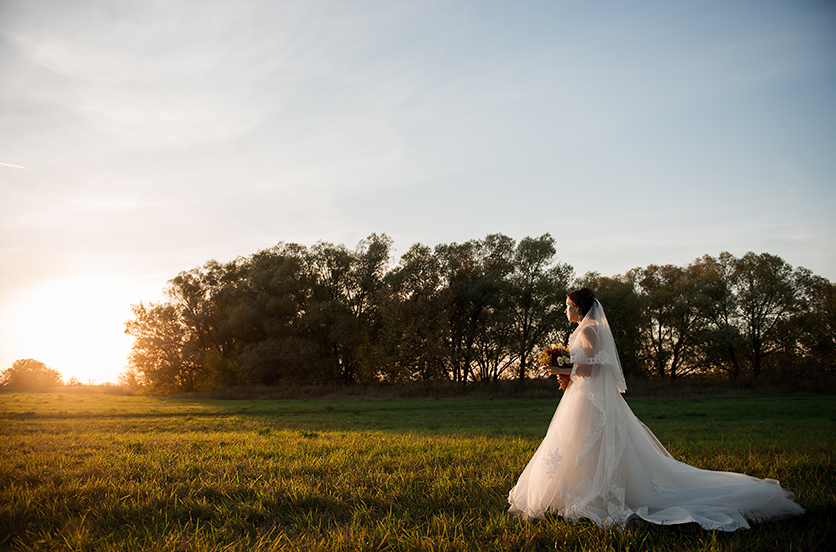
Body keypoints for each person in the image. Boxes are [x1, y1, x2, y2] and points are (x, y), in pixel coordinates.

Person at [507, 288, 804, 530]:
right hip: (583, 397)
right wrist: (564, 368)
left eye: (568, 305)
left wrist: (561, 366)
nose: (565, 310)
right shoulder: (589, 329)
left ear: (580, 307)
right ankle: (576, 489)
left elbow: (597, 369)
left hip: (589, 399)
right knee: (579, 444)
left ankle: (592, 492)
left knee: (586, 442)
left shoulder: (589, 332)